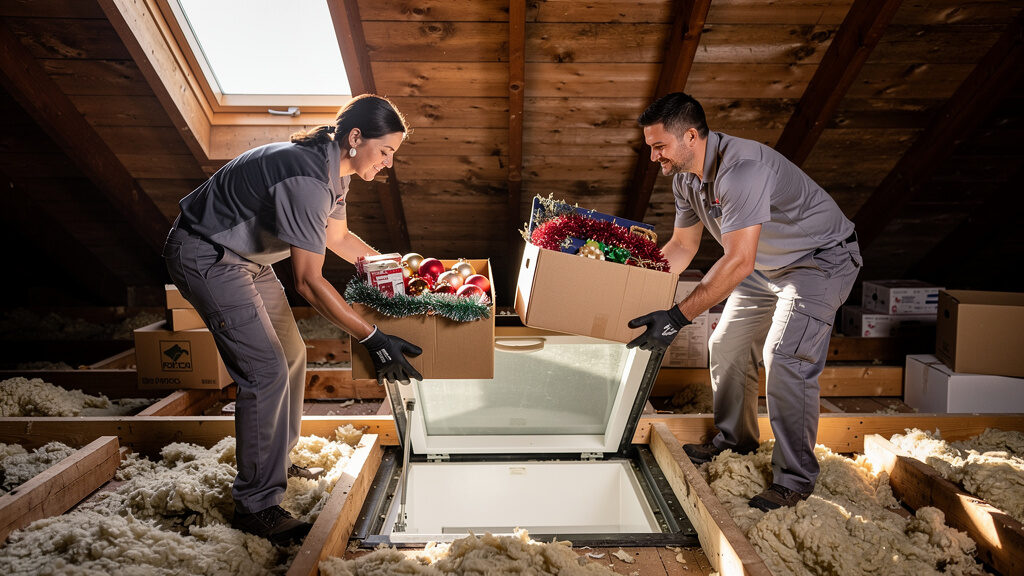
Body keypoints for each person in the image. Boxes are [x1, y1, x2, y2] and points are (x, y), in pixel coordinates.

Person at [162, 94, 423, 544]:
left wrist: (399, 273)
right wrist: (373, 336)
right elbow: (308, 282)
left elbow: (339, 238)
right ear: (356, 137)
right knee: (263, 371)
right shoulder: (306, 176)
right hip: (207, 255)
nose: (387, 164)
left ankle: (274, 462)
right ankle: (256, 506)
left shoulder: (334, 172)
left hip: (249, 260)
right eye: (386, 152)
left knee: (291, 353)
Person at [626, 92, 862, 510]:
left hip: (819, 263)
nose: (653, 157)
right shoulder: (685, 176)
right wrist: (634, 284)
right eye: (651, 147)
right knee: (727, 345)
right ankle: (735, 441)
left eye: (659, 146)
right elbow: (682, 246)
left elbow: (736, 261)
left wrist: (676, 318)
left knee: (785, 357)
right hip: (765, 266)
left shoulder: (742, 170)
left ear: (691, 136)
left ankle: (796, 480)